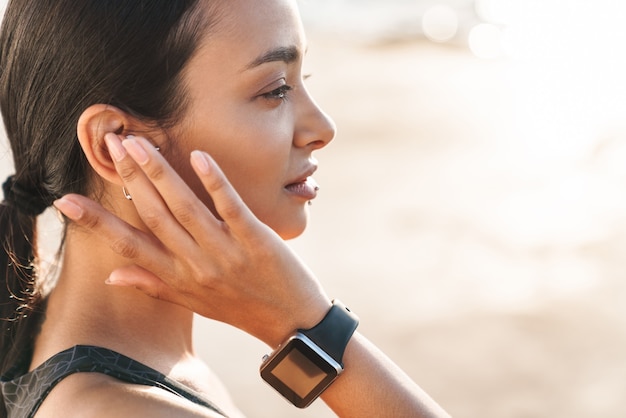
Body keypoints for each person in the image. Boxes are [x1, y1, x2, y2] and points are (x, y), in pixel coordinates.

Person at [0, 0, 450, 417]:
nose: (322, 128)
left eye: (303, 81)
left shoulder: (120, 363)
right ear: (115, 144)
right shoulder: (122, 409)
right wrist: (305, 322)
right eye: (275, 90)